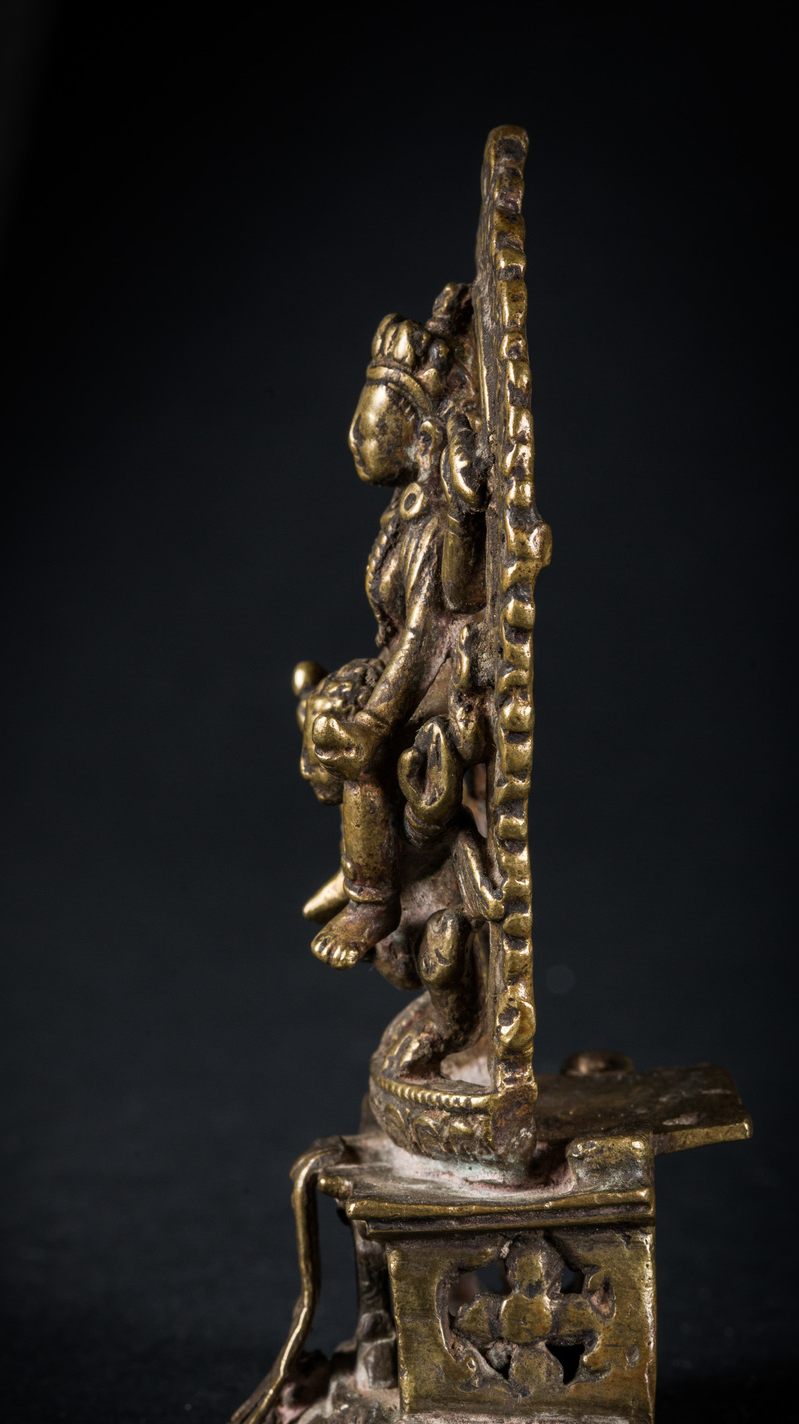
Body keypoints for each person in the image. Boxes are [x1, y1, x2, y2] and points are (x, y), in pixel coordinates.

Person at [296, 284, 487, 970]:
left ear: (420, 435)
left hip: (437, 676)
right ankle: (362, 858)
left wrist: (377, 719)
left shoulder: (436, 524)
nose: (356, 438)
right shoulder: (408, 509)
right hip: (406, 663)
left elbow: (423, 637)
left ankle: (372, 894)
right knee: (327, 705)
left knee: (360, 750)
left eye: (370, 428)